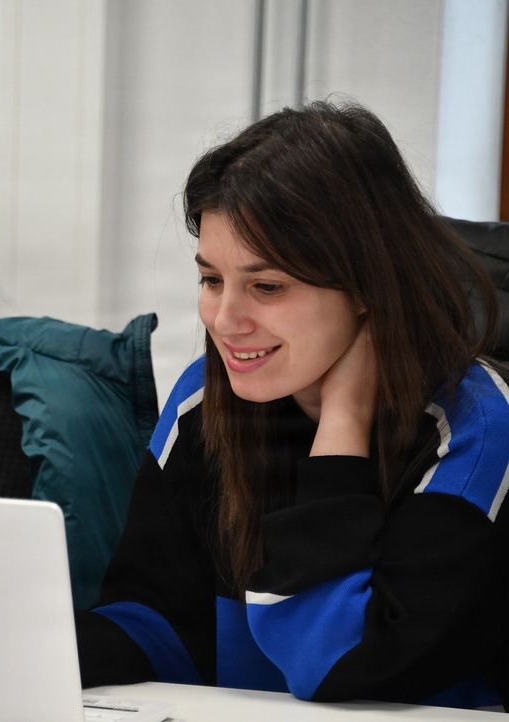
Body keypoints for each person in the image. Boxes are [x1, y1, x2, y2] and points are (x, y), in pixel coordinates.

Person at [76, 101, 509, 710]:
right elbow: (162, 625)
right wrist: (12, 649)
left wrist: (342, 423)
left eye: (268, 287)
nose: (226, 321)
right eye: (210, 280)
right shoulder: (204, 399)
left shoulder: (478, 428)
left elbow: (339, 665)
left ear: (367, 287)